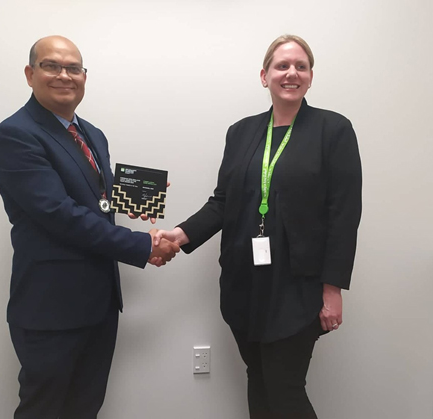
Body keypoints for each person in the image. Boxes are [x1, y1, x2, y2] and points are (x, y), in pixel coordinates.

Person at [155, 35, 362, 418]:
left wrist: (332, 288)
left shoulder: (333, 130)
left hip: (298, 285)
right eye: (282, 65)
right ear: (264, 76)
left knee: (285, 388)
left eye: (300, 66)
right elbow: (222, 201)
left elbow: (344, 215)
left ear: (310, 77)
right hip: (245, 282)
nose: (291, 73)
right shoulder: (241, 132)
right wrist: (179, 236)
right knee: (259, 380)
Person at [0, 35, 179, 419]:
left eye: (73, 68)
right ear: (30, 74)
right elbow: (59, 214)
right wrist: (142, 245)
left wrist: (136, 199)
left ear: (84, 77)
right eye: (52, 66)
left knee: (85, 408)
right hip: (51, 310)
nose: (65, 75)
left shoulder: (92, 133)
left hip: (99, 305)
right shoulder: (16, 134)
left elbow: (95, 199)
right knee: (44, 410)